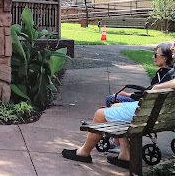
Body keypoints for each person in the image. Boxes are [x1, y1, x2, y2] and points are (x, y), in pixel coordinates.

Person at [62, 40, 175, 169]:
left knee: (100, 114)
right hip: (157, 115)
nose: (172, 47)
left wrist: (155, 89)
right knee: (115, 106)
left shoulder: (166, 73)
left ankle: (83, 152)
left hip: (149, 115)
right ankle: (125, 154)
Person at [105, 42, 174, 106]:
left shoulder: (163, 74)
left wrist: (129, 95)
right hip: (159, 108)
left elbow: (149, 95)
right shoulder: (171, 72)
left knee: (111, 99)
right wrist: (129, 94)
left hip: (147, 107)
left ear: (165, 58)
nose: (153, 57)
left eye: (156, 55)